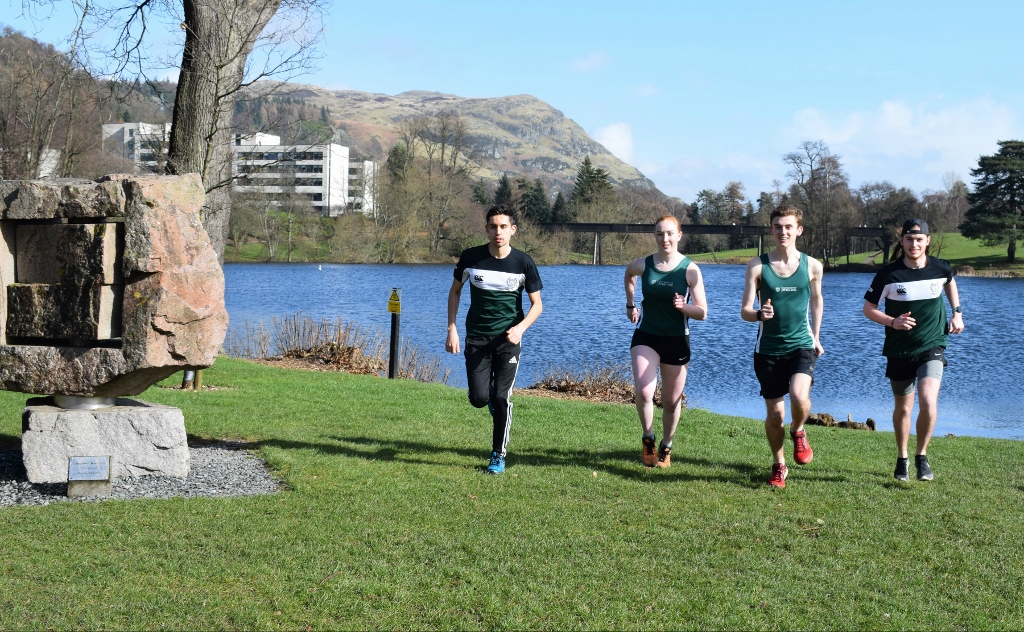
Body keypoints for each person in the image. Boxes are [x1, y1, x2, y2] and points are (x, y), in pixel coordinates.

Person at [862, 218, 964, 482]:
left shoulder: (940, 268)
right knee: (904, 408)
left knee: (929, 400)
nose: (914, 244)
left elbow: (950, 281)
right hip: (899, 350)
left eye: (919, 239)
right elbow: (868, 309)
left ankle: (921, 456)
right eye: (909, 239)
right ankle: (902, 459)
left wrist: (957, 313)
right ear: (902, 241)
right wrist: (892, 322)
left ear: (927, 241)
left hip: (932, 344)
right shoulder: (889, 274)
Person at [446, 204, 543, 474]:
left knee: (501, 398)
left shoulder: (524, 263)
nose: (498, 231)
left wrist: (521, 328)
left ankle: (498, 455)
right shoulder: (471, 258)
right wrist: (452, 328)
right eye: (493, 226)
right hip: (476, 337)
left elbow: (537, 305)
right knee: (479, 398)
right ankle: (487, 399)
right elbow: (454, 292)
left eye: (503, 227)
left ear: (512, 230)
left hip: (508, 340)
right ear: (486, 229)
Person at [740, 206, 824, 488]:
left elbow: (816, 301)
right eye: (778, 227)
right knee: (775, 414)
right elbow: (744, 310)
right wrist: (758, 315)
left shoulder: (812, 265)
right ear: (771, 230)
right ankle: (779, 464)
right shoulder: (757, 266)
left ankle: (798, 430)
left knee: (799, 396)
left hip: (802, 343)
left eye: (788, 227)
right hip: (768, 350)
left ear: (798, 230)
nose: (783, 232)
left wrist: (816, 336)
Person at [623, 216, 707, 468]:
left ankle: (666, 446)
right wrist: (630, 305)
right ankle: (648, 438)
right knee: (644, 391)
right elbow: (628, 273)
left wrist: (685, 307)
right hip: (646, 336)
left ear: (679, 235)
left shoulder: (690, 270)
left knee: (671, 401)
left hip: (676, 340)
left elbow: (702, 312)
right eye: (659, 234)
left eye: (670, 233)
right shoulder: (645, 264)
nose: (665, 239)